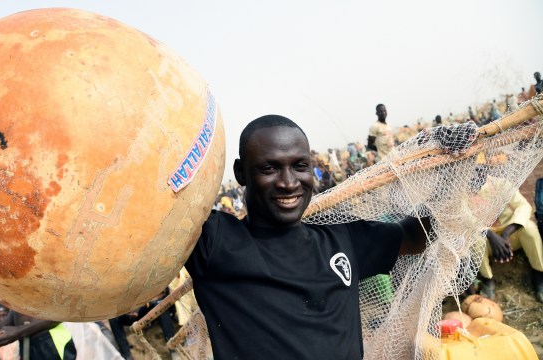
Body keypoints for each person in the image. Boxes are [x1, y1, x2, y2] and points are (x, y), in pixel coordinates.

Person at [183, 115, 469, 359]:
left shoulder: (340, 236)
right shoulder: (214, 242)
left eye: (299, 166)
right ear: (240, 173)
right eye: (269, 168)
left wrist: (449, 168)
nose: (288, 182)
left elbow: (415, 236)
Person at [475, 164, 543, 302]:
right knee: (474, 240)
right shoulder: (459, 192)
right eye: (472, 170)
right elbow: (465, 220)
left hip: (509, 237)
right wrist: (492, 236)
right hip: (486, 240)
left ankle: (539, 274)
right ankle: (488, 279)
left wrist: (506, 234)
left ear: (486, 170)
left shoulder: (501, 184)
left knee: (529, 229)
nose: (477, 174)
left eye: (480, 169)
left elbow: (524, 206)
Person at [0, 310, 76, 359]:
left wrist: (19, 331)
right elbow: (17, 311)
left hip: (50, 342)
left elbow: (61, 313)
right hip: (27, 342)